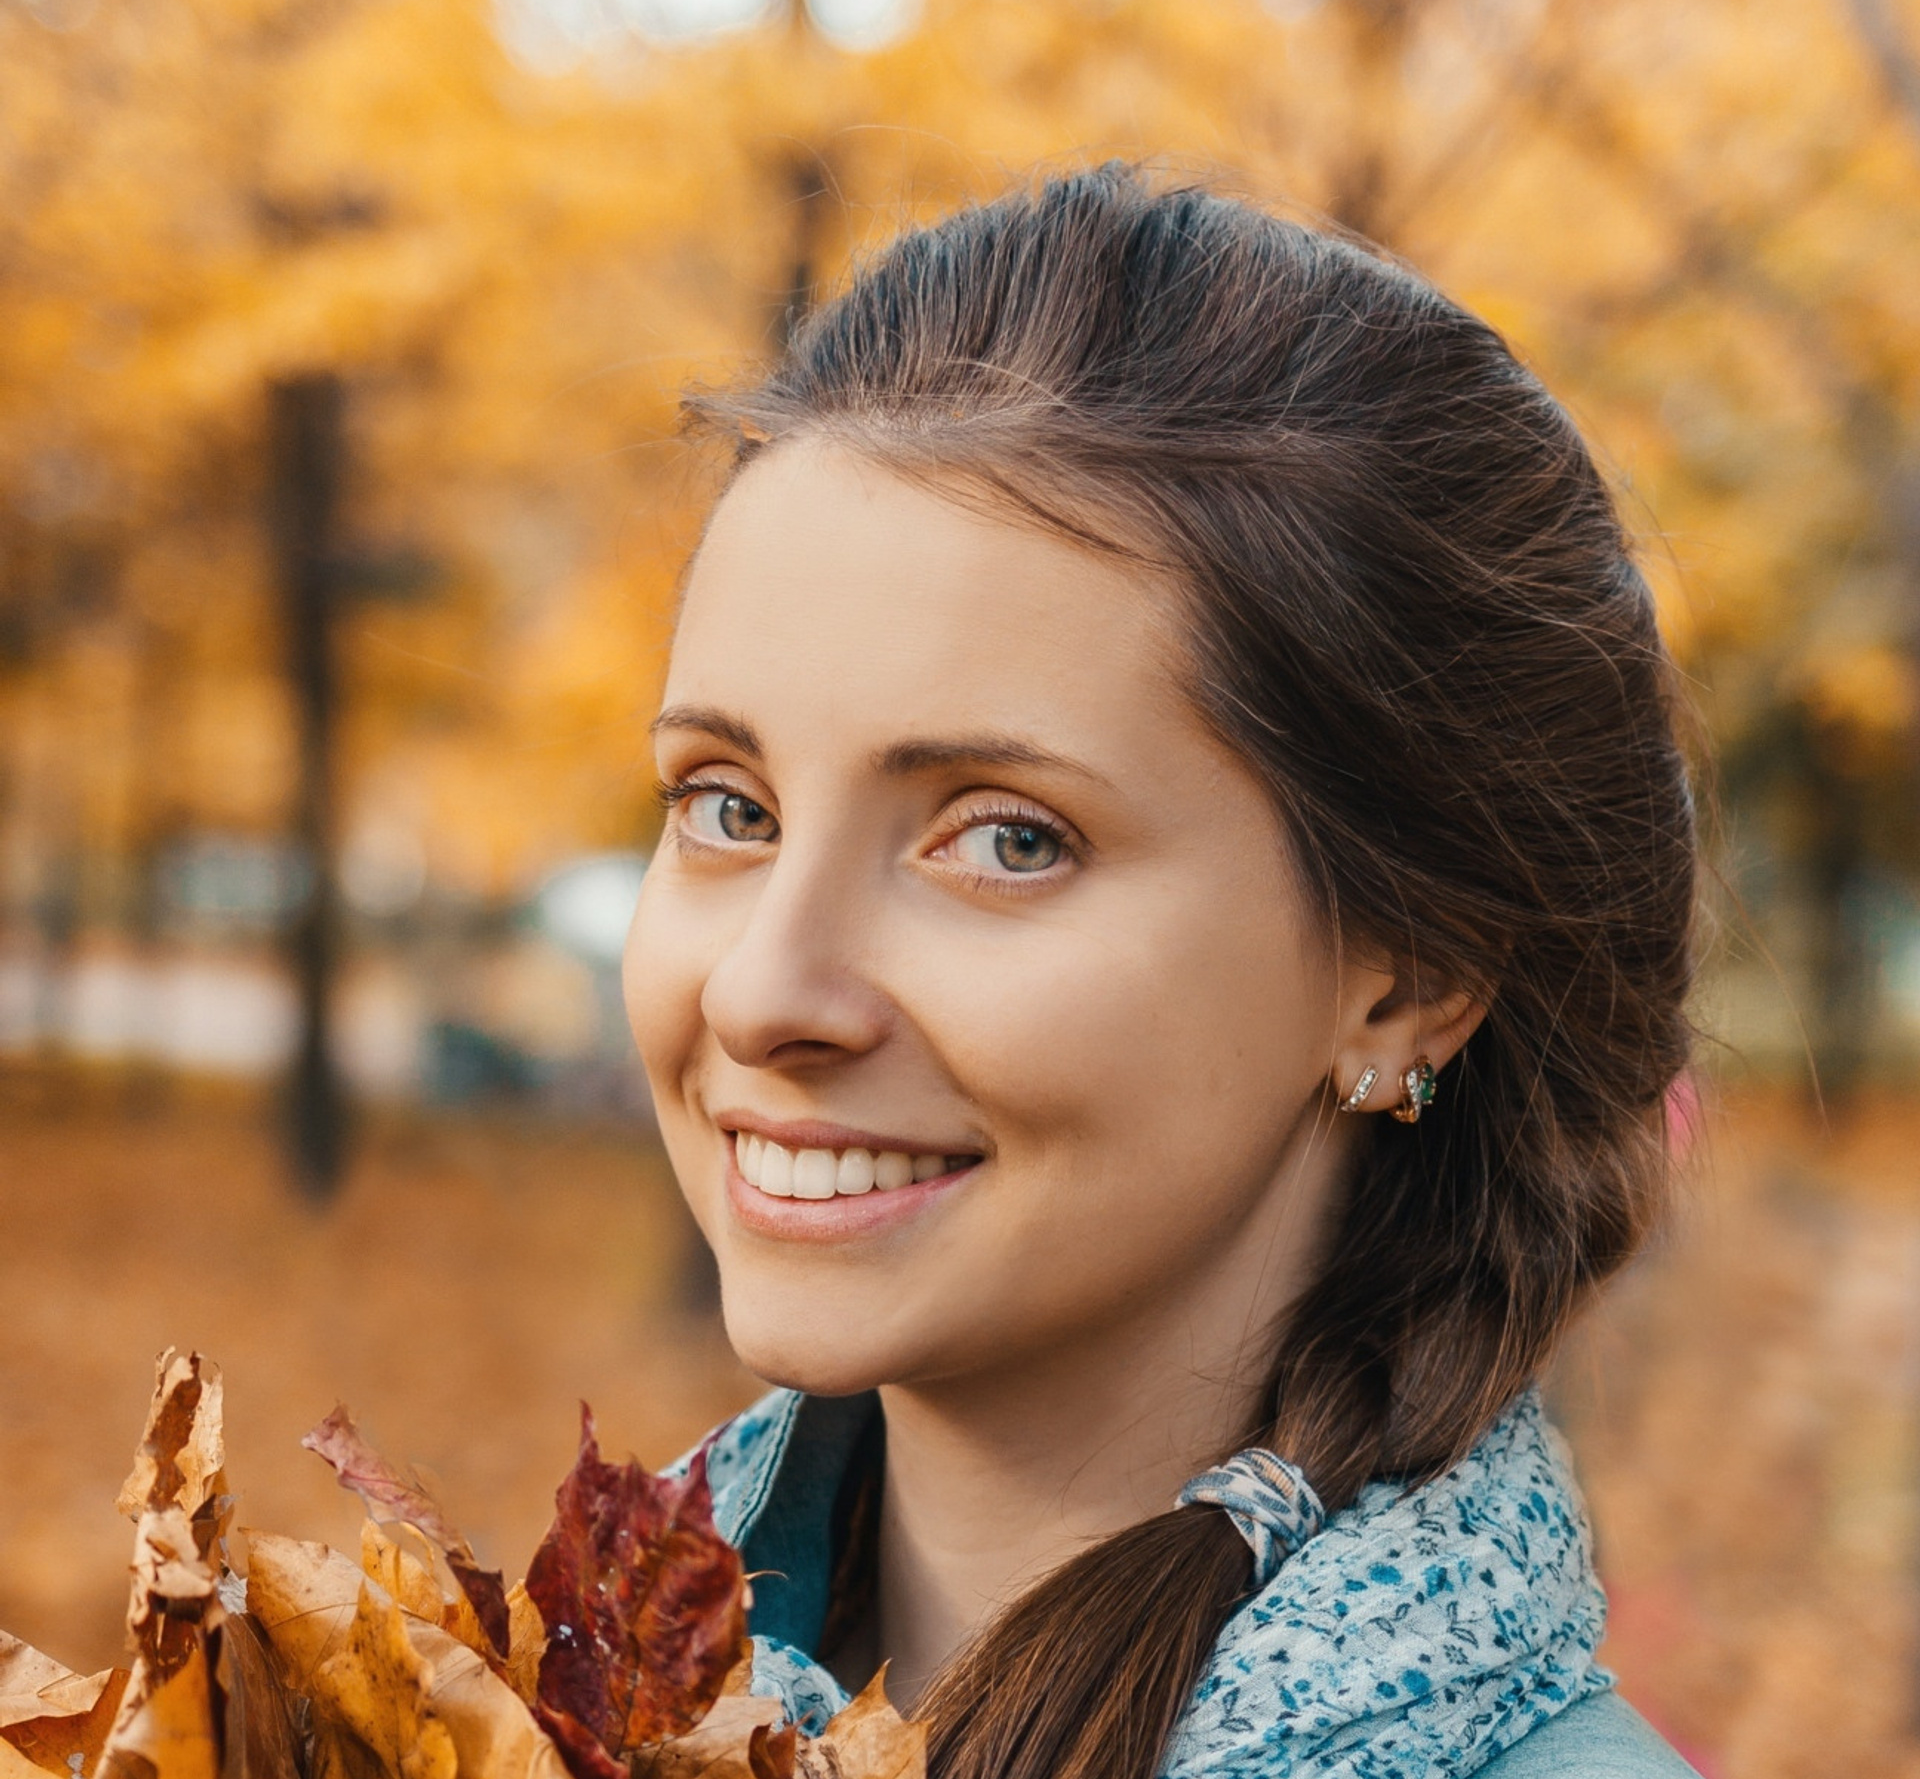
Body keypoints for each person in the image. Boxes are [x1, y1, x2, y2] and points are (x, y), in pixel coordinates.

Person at [623, 166, 1700, 1778]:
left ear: (1405, 982)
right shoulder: (505, 1703)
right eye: (730, 807)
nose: (764, 993)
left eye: (1005, 840)